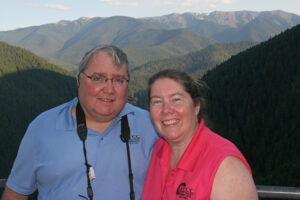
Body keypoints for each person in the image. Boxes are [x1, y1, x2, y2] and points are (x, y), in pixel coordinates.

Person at [1, 45, 159, 200]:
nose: (109, 89)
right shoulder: (42, 127)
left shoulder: (153, 127)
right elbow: (16, 193)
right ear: (78, 80)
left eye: (119, 80)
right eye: (98, 78)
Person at [141, 69, 258, 200]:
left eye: (176, 99)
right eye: (157, 102)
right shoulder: (160, 149)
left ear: (196, 106)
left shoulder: (225, 167)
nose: (166, 110)